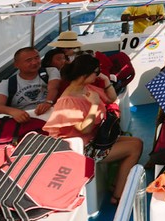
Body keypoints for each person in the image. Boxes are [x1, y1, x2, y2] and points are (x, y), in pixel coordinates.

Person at [43, 54, 143, 204]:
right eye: (96, 72)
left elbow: (111, 99)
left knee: (137, 142)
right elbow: (84, 129)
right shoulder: (68, 101)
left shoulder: (86, 88)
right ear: (84, 75)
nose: (98, 75)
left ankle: (117, 184)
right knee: (134, 148)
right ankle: (118, 195)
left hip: (95, 139)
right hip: (83, 148)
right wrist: (94, 105)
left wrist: (106, 81)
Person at [0, 46, 62, 122]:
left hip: (50, 114)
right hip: (25, 118)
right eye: (29, 60)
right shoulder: (7, 83)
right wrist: (13, 112)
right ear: (16, 65)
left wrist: (48, 102)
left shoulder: (51, 71)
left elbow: (53, 87)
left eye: (37, 58)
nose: (34, 62)